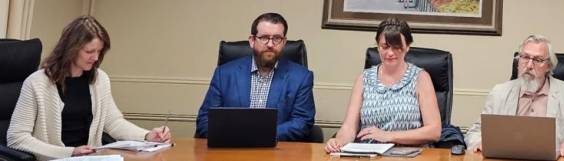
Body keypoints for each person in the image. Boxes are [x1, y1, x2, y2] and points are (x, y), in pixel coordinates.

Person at [6, 16, 171, 160]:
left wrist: (147, 135)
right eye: (89, 51)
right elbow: (17, 138)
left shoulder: (100, 80)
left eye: (99, 51)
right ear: (71, 49)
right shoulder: (37, 83)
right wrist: (69, 153)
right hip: (57, 158)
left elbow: (113, 123)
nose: (96, 57)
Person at [463, 35, 564, 157]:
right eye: (525, 57)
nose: (529, 65)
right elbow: (474, 132)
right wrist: (480, 142)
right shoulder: (499, 93)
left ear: (548, 66)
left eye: (537, 60)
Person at [324, 17, 441, 153]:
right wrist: (339, 141)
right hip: (369, 153)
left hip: (409, 154)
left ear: (408, 46)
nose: (390, 53)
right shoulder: (364, 79)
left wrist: (389, 136)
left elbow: (434, 131)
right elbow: (349, 127)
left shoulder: (420, 78)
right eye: (385, 47)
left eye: (397, 47)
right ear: (378, 46)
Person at [194, 12, 315, 141]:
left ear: (284, 42)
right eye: (264, 37)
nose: (270, 44)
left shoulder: (301, 77)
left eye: (277, 38)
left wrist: (258, 135)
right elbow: (205, 120)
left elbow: (302, 122)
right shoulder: (224, 74)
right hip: (231, 149)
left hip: (277, 150)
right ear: (252, 41)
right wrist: (238, 137)